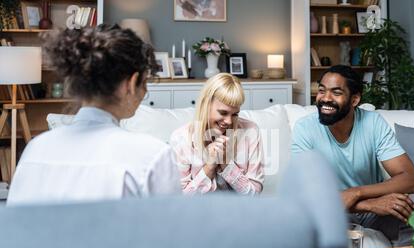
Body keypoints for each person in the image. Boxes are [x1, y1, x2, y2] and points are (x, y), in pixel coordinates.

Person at [7, 24, 180, 205]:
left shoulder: (35, 149)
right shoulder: (153, 154)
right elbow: (172, 229)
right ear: (131, 83)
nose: (145, 92)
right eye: (145, 83)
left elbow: (16, 226)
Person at [291, 65, 414, 247]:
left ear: (354, 100)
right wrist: (366, 204)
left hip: (375, 210)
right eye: (322, 91)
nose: (325, 98)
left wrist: (356, 192)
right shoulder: (305, 128)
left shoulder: (373, 123)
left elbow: (411, 181)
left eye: (336, 92)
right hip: (332, 210)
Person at [170, 73, 264, 195]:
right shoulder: (181, 138)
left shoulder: (250, 131)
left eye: (235, 114)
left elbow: (254, 194)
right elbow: (180, 200)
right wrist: (209, 166)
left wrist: (226, 163)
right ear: (206, 105)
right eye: (223, 113)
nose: (229, 121)